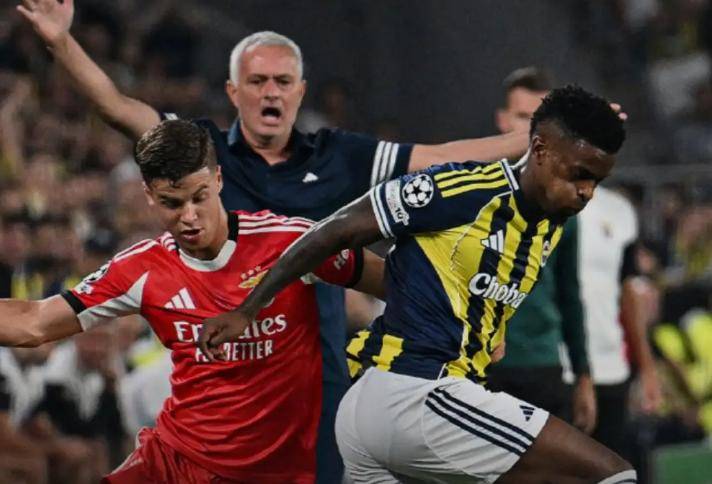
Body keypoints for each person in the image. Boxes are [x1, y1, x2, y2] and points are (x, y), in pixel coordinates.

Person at [17, 2, 532, 480]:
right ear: (232, 92)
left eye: (282, 81)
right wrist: (60, 40)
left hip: (313, 368)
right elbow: (117, 107)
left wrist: (538, 140)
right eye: (257, 81)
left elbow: (444, 159)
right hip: (210, 384)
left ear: (300, 91)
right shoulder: (198, 152)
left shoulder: (336, 160)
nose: (271, 93)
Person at [199, 86, 638, 483]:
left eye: (596, 181)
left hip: (386, 411)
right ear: (539, 149)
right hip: (415, 393)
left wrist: (489, 333)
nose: (587, 191)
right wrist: (249, 308)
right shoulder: (465, 190)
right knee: (610, 475)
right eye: (579, 174)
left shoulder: (549, 223)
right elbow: (336, 229)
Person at [0, 119, 386, 483]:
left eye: (199, 198)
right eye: (172, 203)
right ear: (149, 196)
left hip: (273, 471)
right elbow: (34, 323)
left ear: (218, 179)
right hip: (173, 462)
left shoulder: (292, 243)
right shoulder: (140, 268)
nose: (189, 217)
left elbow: (395, 285)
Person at [487, 66, 596, 433]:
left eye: (539, 119)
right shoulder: (470, 194)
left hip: (542, 365)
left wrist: (583, 374)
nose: (530, 129)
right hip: (480, 365)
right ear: (503, 120)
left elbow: (569, 294)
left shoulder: (565, 204)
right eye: (522, 117)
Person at [577, 184, 662, 457]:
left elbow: (628, 290)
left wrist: (647, 367)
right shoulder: (543, 198)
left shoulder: (620, 210)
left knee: (609, 466)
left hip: (610, 366)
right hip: (559, 368)